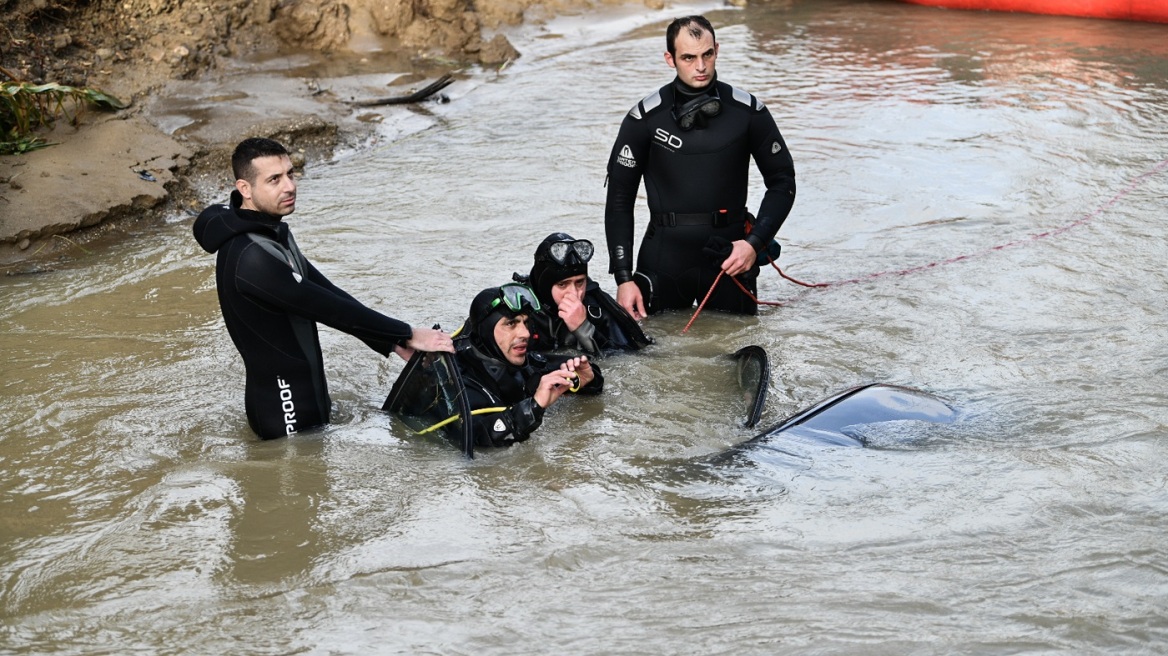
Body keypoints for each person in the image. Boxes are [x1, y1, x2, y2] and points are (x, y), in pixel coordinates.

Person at [192, 137, 453, 439]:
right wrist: (407, 333)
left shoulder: (269, 233)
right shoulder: (253, 258)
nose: (289, 186)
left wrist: (392, 342)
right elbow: (327, 308)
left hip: (306, 403)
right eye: (274, 179)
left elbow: (327, 292)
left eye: (290, 174)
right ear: (245, 189)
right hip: (285, 417)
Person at [604, 15, 797, 319]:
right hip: (663, 260)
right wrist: (623, 278)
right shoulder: (644, 119)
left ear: (717, 50)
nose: (701, 66)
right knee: (654, 349)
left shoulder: (747, 112)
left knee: (739, 343)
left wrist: (753, 244)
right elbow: (619, 200)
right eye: (688, 58)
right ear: (670, 59)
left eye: (707, 54)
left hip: (731, 259)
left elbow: (783, 181)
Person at [455, 283, 602, 448]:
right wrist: (534, 406)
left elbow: (580, 370)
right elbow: (475, 438)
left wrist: (586, 380)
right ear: (486, 331)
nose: (525, 333)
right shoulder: (458, 382)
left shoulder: (528, 363)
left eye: (525, 323)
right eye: (511, 323)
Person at [515, 232, 653, 355]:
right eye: (563, 284)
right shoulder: (519, 311)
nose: (575, 294)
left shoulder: (596, 306)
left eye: (580, 282)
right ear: (544, 287)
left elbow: (628, 357)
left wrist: (583, 328)